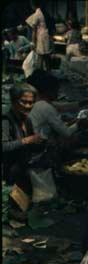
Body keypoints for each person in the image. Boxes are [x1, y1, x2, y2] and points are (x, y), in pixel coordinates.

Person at [2, 83, 44, 218]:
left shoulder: (27, 120)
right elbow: (3, 147)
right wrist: (27, 140)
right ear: (14, 101)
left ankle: (23, 204)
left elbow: (32, 146)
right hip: (9, 168)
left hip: (23, 164)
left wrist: (41, 143)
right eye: (23, 102)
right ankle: (13, 207)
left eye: (31, 103)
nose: (27, 106)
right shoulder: (6, 120)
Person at [28, 71, 88, 144]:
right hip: (37, 148)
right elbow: (67, 133)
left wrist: (84, 103)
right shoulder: (45, 107)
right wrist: (79, 124)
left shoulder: (36, 102)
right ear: (48, 91)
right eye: (56, 90)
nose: (58, 93)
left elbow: (61, 106)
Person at [25, 0, 54, 71]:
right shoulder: (44, 13)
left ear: (33, 5)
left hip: (41, 37)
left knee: (40, 57)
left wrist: (33, 42)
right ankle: (48, 72)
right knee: (47, 57)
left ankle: (40, 74)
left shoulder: (37, 14)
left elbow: (34, 31)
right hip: (46, 35)